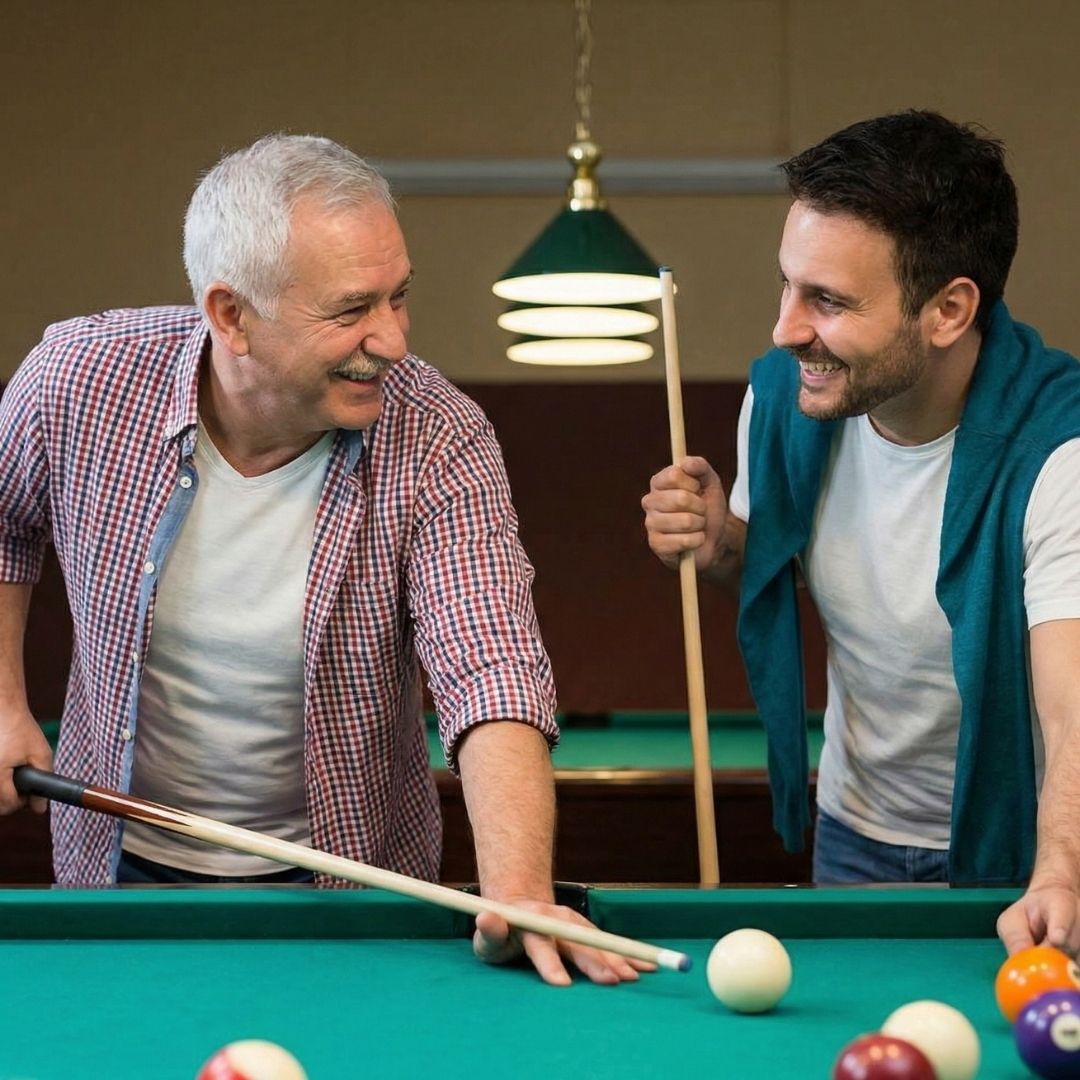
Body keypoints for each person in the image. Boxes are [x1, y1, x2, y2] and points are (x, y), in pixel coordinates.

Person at [0, 133, 646, 986]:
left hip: (346, 888)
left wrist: (518, 889)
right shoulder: (79, 380)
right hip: (117, 872)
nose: (393, 340)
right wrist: (4, 699)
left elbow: (488, 664)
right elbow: (6, 522)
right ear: (232, 315)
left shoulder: (437, 435)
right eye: (352, 311)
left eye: (399, 298)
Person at [642, 111, 1080, 957]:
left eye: (829, 301)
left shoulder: (1060, 451)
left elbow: (1072, 709)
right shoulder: (784, 400)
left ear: (949, 309)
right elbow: (778, 565)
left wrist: (1061, 870)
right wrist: (717, 544)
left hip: (1022, 848)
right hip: (852, 831)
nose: (784, 329)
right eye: (787, 284)